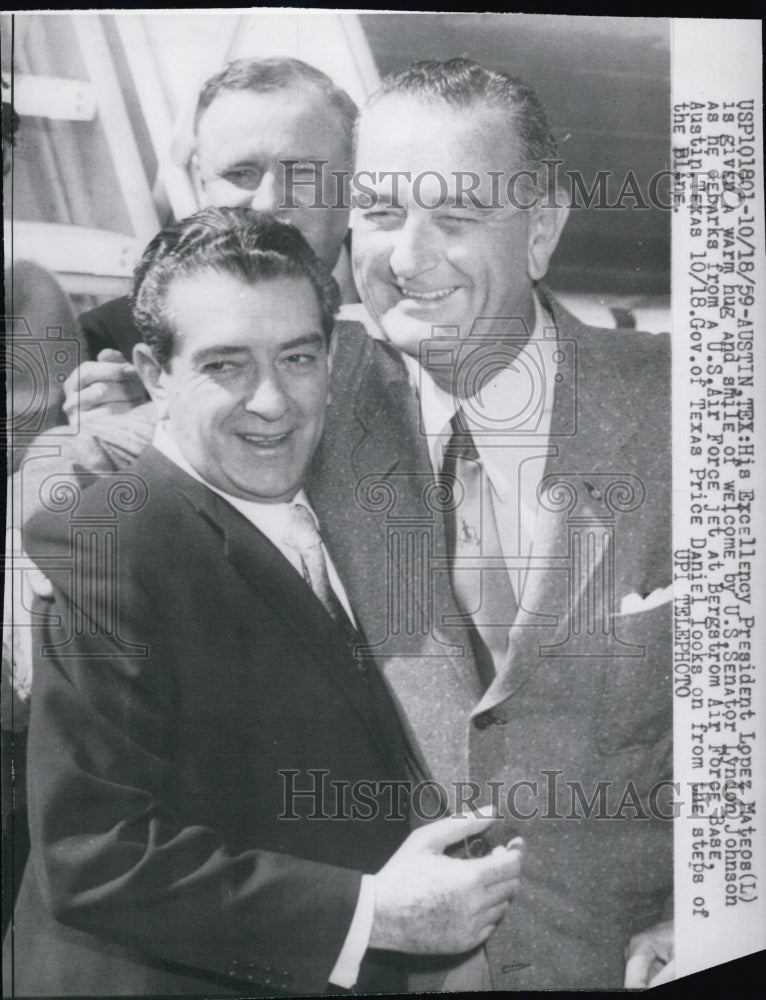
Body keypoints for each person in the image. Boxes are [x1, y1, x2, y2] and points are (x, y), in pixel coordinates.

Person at [14, 57, 673, 990]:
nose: (408, 257)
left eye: (455, 215)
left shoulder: (695, 412)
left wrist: (724, 902)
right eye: (381, 211)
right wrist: (52, 511)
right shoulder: (313, 382)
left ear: (543, 229)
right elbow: (127, 442)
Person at [4, 209, 523, 997]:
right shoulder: (106, 543)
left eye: (298, 357)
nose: (273, 401)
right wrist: (371, 915)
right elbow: (96, 855)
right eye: (226, 365)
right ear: (154, 372)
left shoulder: (331, 504)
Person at [70, 56, 358, 418]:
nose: (267, 203)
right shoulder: (112, 340)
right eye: (240, 174)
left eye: (302, 174)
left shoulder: (416, 302)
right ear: (200, 182)